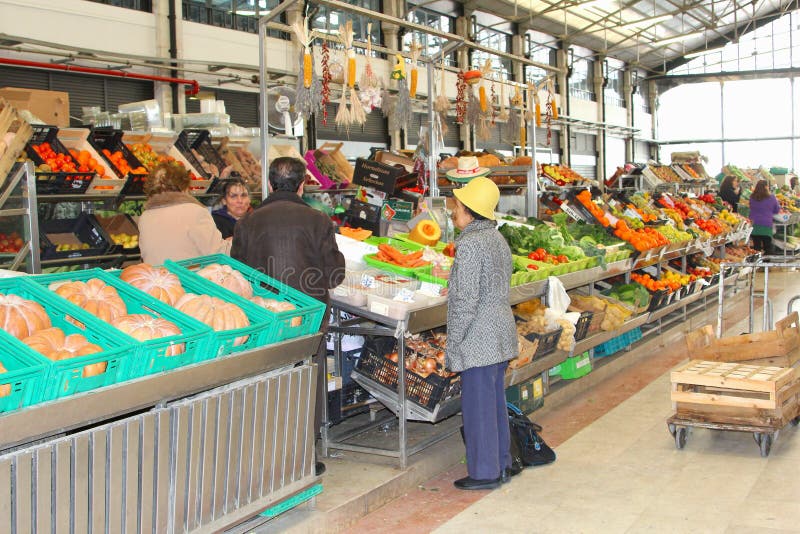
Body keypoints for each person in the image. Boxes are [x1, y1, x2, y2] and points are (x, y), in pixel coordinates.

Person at [231, 156, 345, 476]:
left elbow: (237, 275)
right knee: (307, 379)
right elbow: (334, 274)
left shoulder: (246, 223)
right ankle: (303, 456)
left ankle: (265, 457)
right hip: (308, 318)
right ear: (302, 185)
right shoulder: (318, 221)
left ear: (268, 185)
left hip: (264, 318)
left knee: (267, 380)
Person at [446, 176, 519, 491]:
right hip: (500, 331)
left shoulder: (470, 245)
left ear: (469, 211)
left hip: (478, 337)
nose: (452, 212)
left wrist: (455, 346)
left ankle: (485, 472)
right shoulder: (495, 238)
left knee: (477, 407)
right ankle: (502, 462)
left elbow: (464, 302)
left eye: (456, 207)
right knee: (494, 403)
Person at [138, 162, 231, 265]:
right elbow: (218, 255)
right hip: (189, 279)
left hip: (157, 278)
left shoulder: (145, 217)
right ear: (184, 186)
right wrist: (234, 243)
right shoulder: (195, 212)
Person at [748, 179, 780, 254]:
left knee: (756, 247)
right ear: (766, 187)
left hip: (754, 224)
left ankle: (757, 264)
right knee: (767, 247)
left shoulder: (752, 197)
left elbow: (750, 207)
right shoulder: (772, 197)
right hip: (766, 225)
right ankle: (767, 264)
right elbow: (776, 210)